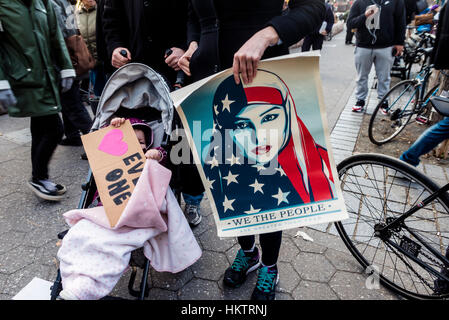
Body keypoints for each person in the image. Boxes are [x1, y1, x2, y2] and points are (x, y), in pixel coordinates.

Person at [177, 0, 326, 301]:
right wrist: (193, 44)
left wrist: (269, 34)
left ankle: (270, 266)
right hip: (214, 87)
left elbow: (315, 8)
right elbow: (194, 13)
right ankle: (249, 253)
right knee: (230, 184)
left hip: (261, 77)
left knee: (270, 184)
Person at [56, 116, 201, 300]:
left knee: (112, 247)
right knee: (78, 236)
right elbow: (104, 147)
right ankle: (75, 284)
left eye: (141, 142)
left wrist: (156, 155)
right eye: (132, 141)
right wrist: (112, 128)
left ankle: (84, 289)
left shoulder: (149, 159)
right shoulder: (112, 161)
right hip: (104, 213)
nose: (138, 145)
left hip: (136, 216)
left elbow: (163, 155)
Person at [0, 0, 75, 201]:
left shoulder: (44, 3)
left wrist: (66, 66)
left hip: (46, 78)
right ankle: (39, 177)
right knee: (55, 129)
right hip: (22, 79)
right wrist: (1, 82)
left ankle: (39, 177)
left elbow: (55, 36)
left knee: (41, 128)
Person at [102, 0, 188, 89]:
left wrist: (185, 49)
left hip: (175, 70)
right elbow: (111, 20)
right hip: (136, 73)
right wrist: (116, 47)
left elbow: (193, 15)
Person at [347, 0, 406, 112]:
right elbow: (350, 23)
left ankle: (383, 101)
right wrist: (365, 15)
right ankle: (360, 100)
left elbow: (400, 22)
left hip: (386, 46)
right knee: (361, 77)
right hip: (363, 46)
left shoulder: (396, 2)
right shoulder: (359, 2)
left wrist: (400, 42)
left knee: (384, 77)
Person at [52, 0, 94, 147]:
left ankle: (96, 142)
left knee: (71, 102)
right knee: (69, 99)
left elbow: (58, 31)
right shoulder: (63, 1)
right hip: (73, 54)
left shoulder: (52, 3)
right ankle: (72, 135)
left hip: (64, 57)